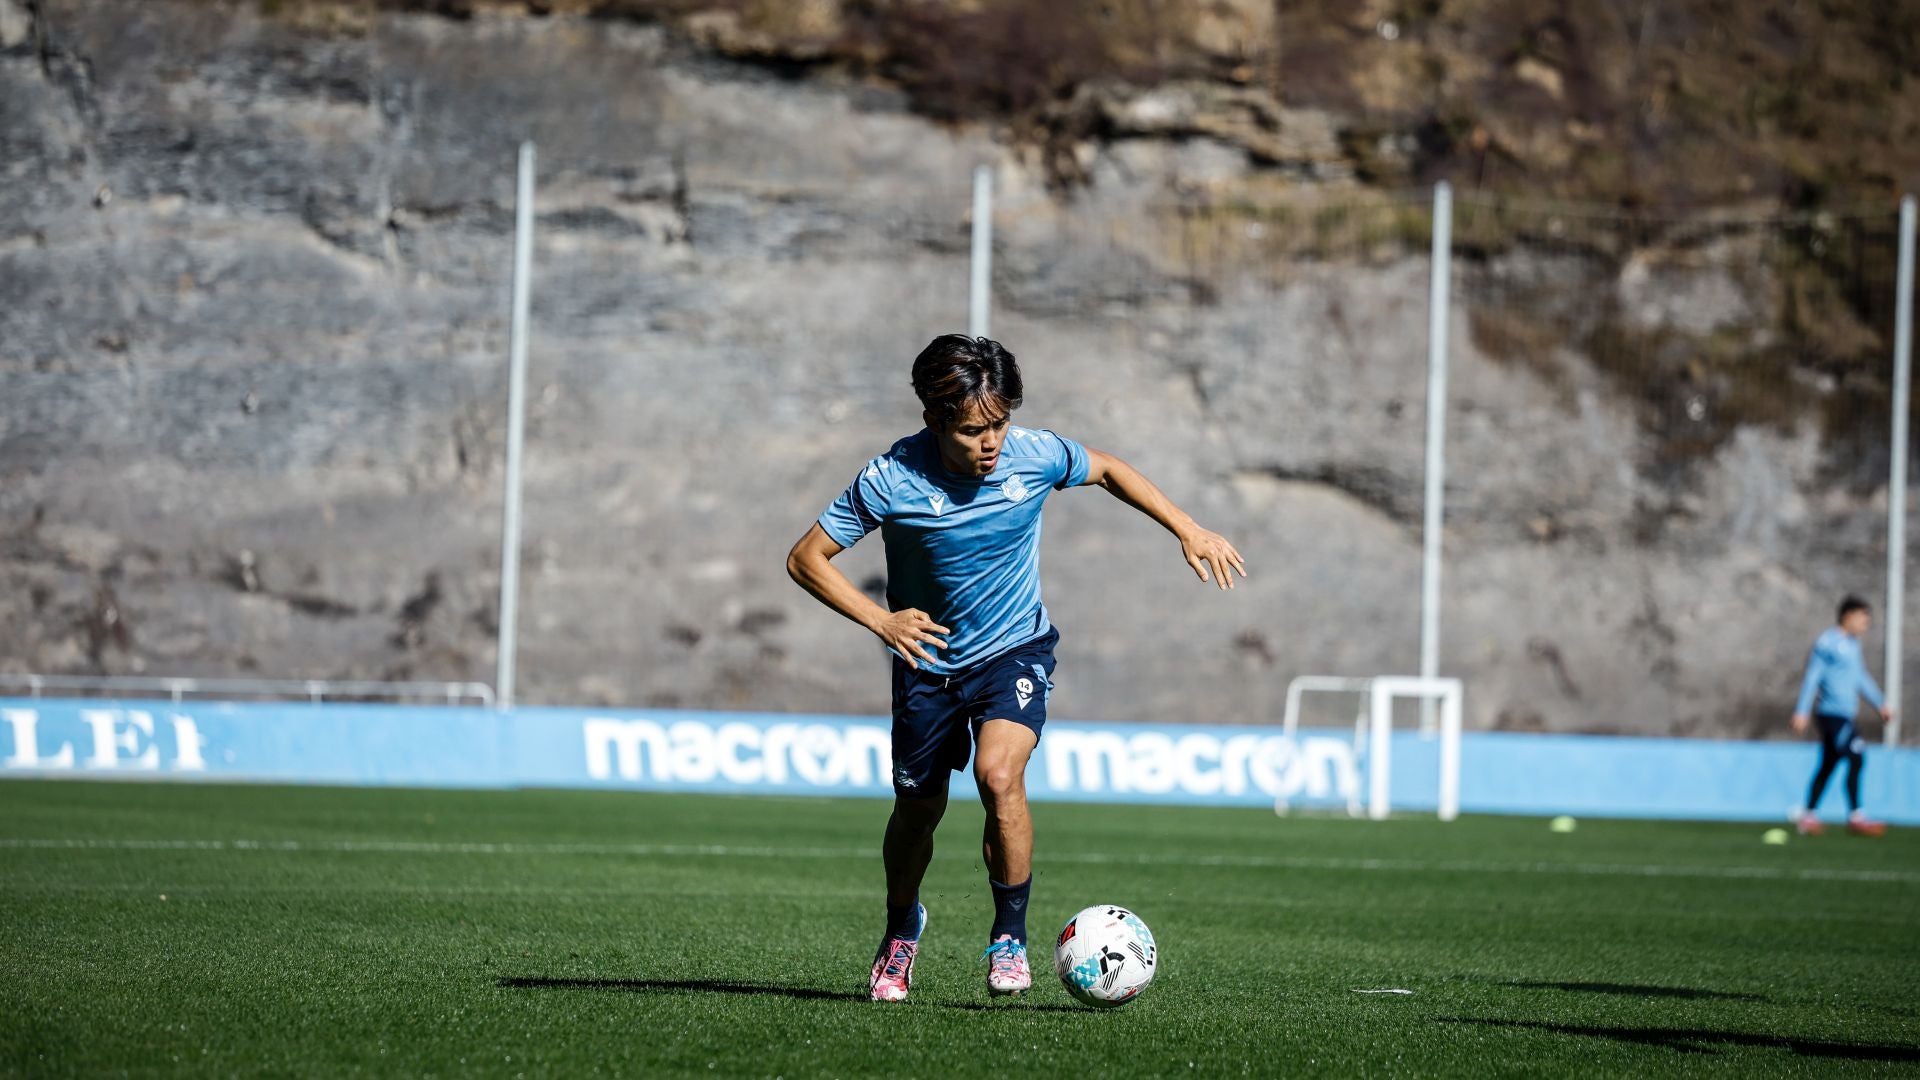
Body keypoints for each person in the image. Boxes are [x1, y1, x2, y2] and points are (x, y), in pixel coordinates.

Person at [786, 334, 1245, 1002]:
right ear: (935, 421)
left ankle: (1009, 935)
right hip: (927, 663)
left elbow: (1110, 468)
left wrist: (1187, 526)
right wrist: (881, 620)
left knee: (999, 774)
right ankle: (901, 927)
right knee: (918, 812)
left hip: (1014, 649)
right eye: (974, 430)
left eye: (999, 422)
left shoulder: (1035, 455)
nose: (991, 441)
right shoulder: (892, 478)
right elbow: (805, 559)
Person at [1791, 595, 1894, 837]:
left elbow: (1860, 678)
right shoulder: (1828, 642)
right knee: (1856, 755)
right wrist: (1802, 710)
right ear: (1848, 616)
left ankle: (1808, 815)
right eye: (1863, 618)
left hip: (1845, 714)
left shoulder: (1853, 644)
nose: (1865, 624)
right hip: (1831, 715)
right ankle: (1856, 816)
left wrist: (1880, 703)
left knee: (1829, 764)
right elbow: (1812, 676)